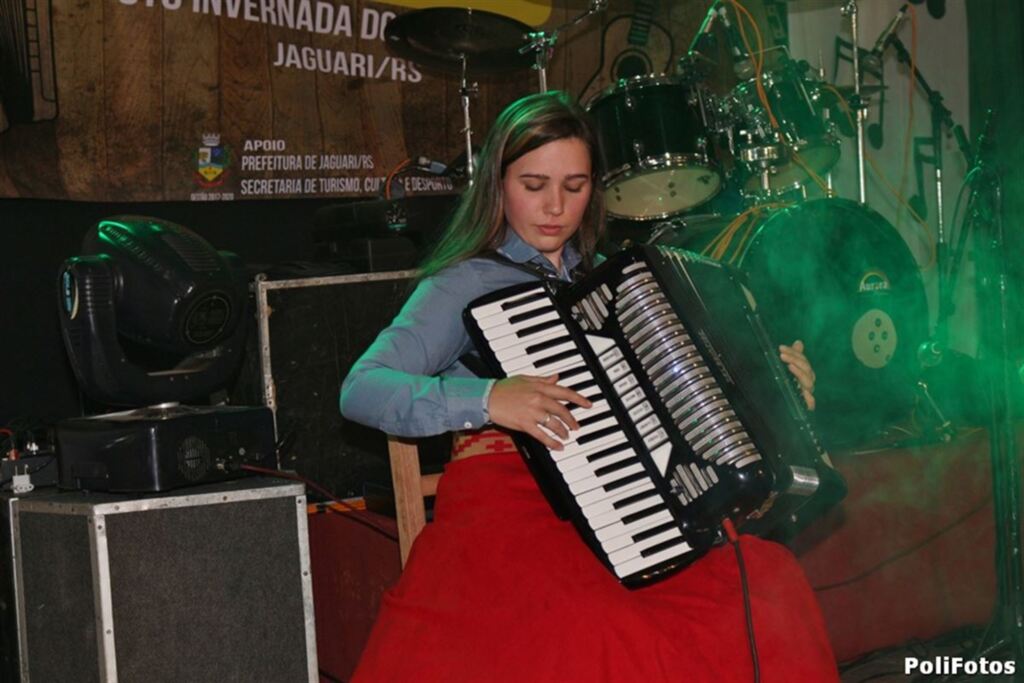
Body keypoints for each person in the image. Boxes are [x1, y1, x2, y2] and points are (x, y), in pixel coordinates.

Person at [340, 91, 838, 682]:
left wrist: (775, 393)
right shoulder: (462, 282)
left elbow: (680, 405)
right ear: (497, 185)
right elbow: (361, 389)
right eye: (533, 185)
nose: (555, 207)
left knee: (767, 582)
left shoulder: (619, 282)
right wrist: (489, 399)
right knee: (603, 630)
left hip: (631, 496)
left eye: (574, 187)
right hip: (508, 506)